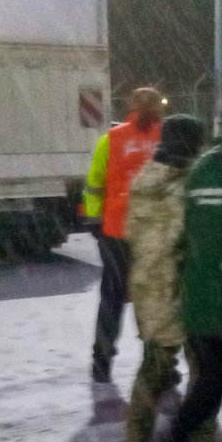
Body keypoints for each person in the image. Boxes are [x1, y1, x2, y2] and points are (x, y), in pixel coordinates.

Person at [121, 114, 222, 442]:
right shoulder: (189, 183)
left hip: (147, 289)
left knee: (152, 372)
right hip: (183, 288)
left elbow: (134, 234)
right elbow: (198, 237)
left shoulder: (144, 180)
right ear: (196, 143)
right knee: (206, 372)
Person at [83, 88, 164, 383]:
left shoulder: (111, 139)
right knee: (154, 299)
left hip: (116, 230)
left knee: (112, 298)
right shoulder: (167, 140)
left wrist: (94, 220)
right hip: (154, 233)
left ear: (130, 107)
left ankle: (101, 362)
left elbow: (94, 182)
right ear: (158, 109)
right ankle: (158, 365)